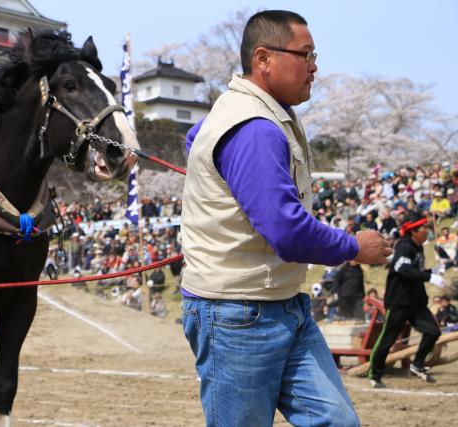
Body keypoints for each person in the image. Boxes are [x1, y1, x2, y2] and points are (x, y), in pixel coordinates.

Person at [180, 10, 391, 427]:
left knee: (338, 421)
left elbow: (195, 136)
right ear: (263, 58)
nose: (314, 66)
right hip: (238, 314)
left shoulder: (244, 110)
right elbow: (287, 230)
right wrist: (355, 247)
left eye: (315, 55)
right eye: (305, 54)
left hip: (282, 304)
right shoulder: (253, 127)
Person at [368, 211, 444, 388]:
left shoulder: (418, 248)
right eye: (423, 228)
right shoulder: (405, 246)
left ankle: (417, 365)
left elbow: (415, 271)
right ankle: (375, 374)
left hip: (416, 302)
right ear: (414, 231)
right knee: (388, 338)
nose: (427, 231)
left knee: (433, 332)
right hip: (399, 302)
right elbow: (403, 269)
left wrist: (432, 271)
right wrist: (429, 278)